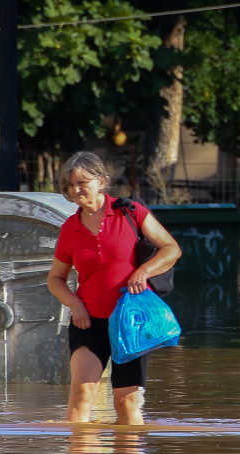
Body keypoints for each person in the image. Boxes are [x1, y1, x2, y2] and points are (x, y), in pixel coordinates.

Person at [48, 151, 182, 425]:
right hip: (87, 323)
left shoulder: (130, 212)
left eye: (82, 183)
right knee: (82, 395)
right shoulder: (69, 228)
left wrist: (143, 271)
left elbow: (171, 249)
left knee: (125, 402)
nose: (75, 190)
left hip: (129, 323)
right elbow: (55, 279)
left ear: (101, 181)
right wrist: (76, 306)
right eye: (69, 185)